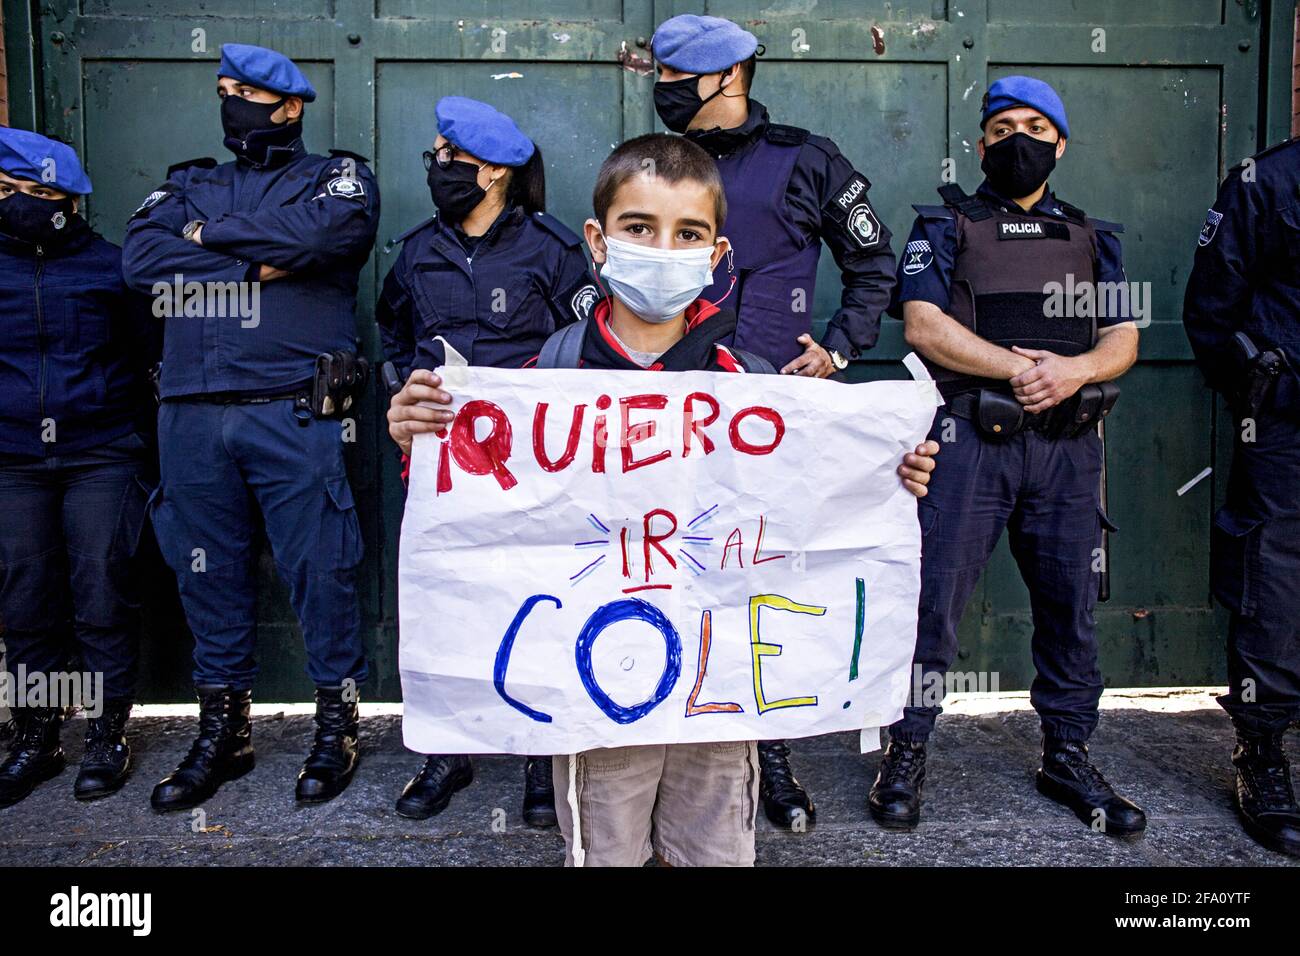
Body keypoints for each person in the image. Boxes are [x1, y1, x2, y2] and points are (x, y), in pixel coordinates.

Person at [387, 132, 939, 866]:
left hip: (721, 700)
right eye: (639, 228)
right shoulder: (542, 378)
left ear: (716, 257)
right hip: (597, 697)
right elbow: (479, 507)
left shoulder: (753, 386)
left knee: (715, 851)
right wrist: (416, 439)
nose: (663, 247)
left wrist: (886, 481)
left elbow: (808, 515)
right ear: (598, 241)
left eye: (688, 234)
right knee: (606, 850)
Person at [874, 76, 1145, 838]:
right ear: (982, 142)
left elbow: (1122, 338)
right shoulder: (945, 225)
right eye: (1000, 128)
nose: (1015, 140)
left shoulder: (1096, 236)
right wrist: (1024, 370)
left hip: (1067, 452)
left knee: (1071, 610)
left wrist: (1076, 370)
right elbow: (924, 327)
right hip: (971, 444)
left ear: (1060, 142)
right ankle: (907, 749)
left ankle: (1068, 752)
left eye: (1033, 126)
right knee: (933, 607)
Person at [650, 12, 899, 829]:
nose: (661, 89)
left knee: (762, 577)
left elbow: (873, 263)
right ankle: (673, 733)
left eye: (675, 76)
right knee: (671, 572)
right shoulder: (655, 164)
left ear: (726, 79)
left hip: (769, 412)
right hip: (671, 410)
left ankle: (773, 756)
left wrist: (836, 350)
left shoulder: (807, 157)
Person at [121, 43, 381, 810]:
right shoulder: (189, 183)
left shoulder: (335, 178)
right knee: (207, 574)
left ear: (290, 105)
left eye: (247, 92)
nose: (231, 101)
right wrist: (246, 267)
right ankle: (223, 729)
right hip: (193, 417)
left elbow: (325, 239)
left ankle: (336, 723)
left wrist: (206, 238)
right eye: (224, 89)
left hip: (294, 412)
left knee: (320, 570)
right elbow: (141, 262)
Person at [378, 95, 597, 828]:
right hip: (441, 470)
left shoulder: (555, 251)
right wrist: (400, 405)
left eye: (450, 157)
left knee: (540, 600)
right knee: (448, 607)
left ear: (495, 172)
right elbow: (392, 340)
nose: (438, 168)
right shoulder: (414, 252)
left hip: (532, 471)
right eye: (437, 157)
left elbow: (591, 353)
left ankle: (541, 758)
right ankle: (447, 751)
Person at [0, 128, 160, 807]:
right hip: (11, 458)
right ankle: (36, 737)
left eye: (43, 195)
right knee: (25, 599)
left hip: (101, 452)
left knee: (102, 591)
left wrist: (141, 446)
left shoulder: (111, 268)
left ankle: (106, 734)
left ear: (70, 200)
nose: (27, 204)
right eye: (13, 192)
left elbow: (147, 359)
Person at [1182, 137, 1300, 857]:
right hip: (1289, 424)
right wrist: (1265, 391)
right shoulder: (1269, 182)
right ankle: (1261, 754)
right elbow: (1212, 311)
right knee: (1275, 584)